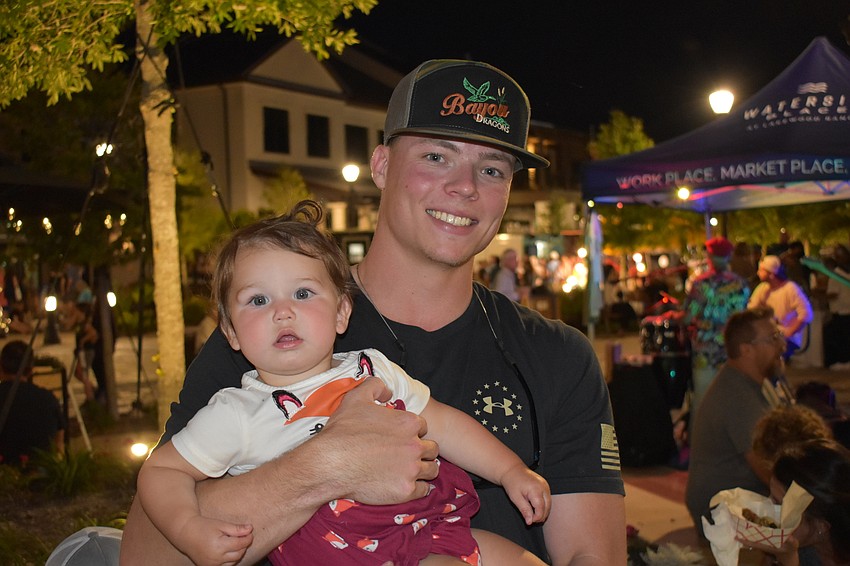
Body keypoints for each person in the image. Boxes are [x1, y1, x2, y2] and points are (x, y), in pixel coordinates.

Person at [122, 59, 626, 565]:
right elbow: (145, 554)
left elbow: (593, 555)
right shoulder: (272, 332)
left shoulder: (559, 356)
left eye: (492, 168)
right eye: (436, 156)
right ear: (381, 165)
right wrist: (324, 466)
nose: (465, 186)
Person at [137, 201, 551, 565]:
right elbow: (162, 471)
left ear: (341, 313)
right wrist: (188, 528)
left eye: (302, 293)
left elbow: (443, 422)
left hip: (425, 524)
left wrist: (510, 470)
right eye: (257, 300)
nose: (282, 312)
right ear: (229, 332)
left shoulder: (372, 369)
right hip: (348, 551)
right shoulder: (236, 412)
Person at [685, 307, 788, 538]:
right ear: (747, 350)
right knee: (817, 532)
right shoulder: (737, 396)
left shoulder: (756, 383)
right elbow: (768, 472)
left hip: (742, 500)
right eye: (773, 338)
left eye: (779, 335)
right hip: (721, 513)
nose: (782, 345)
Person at [748, 439, 850, 566]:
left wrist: (788, 561)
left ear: (821, 526)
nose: (765, 510)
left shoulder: (793, 548)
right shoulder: (793, 543)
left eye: (779, 505)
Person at [679, 236, 750, 416]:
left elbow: (688, 317)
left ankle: (701, 443)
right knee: (732, 404)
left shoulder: (701, 283)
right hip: (731, 351)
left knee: (703, 404)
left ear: (710, 256)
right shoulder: (740, 284)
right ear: (729, 256)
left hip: (705, 351)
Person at [0, 340, 65, 465]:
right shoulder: (48, 399)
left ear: (1, 366)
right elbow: (59, 445)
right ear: (31, 370)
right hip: (40, 474)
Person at [748, 255, 813, 360]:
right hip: (768, 336)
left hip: (787, 337)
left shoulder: (790, 288)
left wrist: (788, 332)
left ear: (771, 274)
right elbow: (751, 310)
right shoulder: (762, 288)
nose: (758, 273)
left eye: (761, 270)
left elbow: (806, 314)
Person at [823, 244, 850, 370]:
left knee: (841, 338)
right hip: (843, 311)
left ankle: (842, 361)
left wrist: (819, 294)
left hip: (841, 312)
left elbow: (833, 294)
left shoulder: (836, 275)